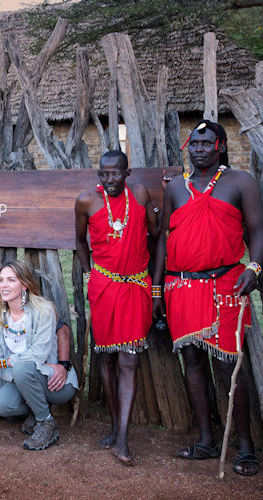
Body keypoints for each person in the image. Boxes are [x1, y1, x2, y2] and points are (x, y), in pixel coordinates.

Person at [154, 120, 263, 475]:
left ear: (220, 145)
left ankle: (245, 446)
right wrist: (157, 290)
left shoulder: (240, 182)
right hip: (182, 287)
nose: (199, 149)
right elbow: (162, 242)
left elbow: (258, 231)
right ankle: (205, 440)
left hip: (226, 285)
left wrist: (255, 268)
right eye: (194, 144)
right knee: (193, 361)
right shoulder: (176, 189)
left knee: (230, 365)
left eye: (206, 143)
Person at [74, 150, 157, 465]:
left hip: (135, 285)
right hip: (104, 286)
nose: (110, 180)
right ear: (99, 174)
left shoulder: (139, 194)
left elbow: (155, 231)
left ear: (128, 172)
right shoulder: (86, 201)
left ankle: (122, 438)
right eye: (104, 174)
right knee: (105, 359)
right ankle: (113, 426)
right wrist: (88, 272)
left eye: (116, 174)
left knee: (129, 360)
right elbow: (80, 240)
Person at [0, 261, 78, 450]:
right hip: (20, 377)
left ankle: (46, 423)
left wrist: (5, 363)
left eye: (11, 280)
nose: (4, 285)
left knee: (23, 366)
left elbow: (37, 356)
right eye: (1, 280)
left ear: (24, 284)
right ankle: (35, 407)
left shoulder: (43, 310)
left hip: (53, 380)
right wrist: (13, 375)